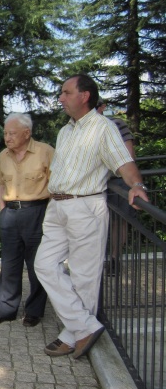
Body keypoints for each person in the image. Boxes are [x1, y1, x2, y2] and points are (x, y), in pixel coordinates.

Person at [34, 74, 149, 359]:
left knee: (84, 276)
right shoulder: (65, 131)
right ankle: (84, 326)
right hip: (58, 206)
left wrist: (136, 185)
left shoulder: (102, 127)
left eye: (66, 92)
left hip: (85, 206)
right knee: (44, 265)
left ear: (84, 96)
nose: (60, 98)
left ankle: (72, 335)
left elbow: (124, 161)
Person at [0, 112, 53, 328]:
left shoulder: (45, 152)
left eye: (12, 133)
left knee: (37, 264)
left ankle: (34, 311)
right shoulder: (3, 156)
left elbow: (57, 186)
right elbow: (1, 185)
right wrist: (3, 210)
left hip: (37, 212)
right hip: (11, 213)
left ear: (27, 133)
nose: (7, 137)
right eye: (5, 133)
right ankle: (6, 310)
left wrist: (50, 216)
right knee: (10, 264)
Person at [97, 98, 136, 274]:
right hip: (97, 184)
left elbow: (129, 156)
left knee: (118, 221)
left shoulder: (116, 123)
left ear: (103, 107)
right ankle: (99, 259)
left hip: (117, 181)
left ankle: (113, 258)